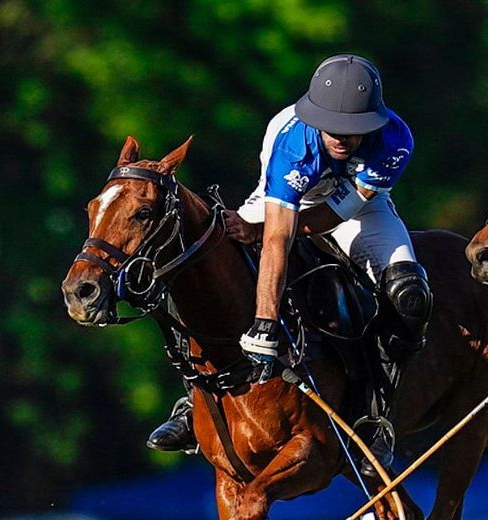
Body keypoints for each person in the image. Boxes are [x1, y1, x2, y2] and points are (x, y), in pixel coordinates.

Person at [148, 54, 427, 475]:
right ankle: (193, 404)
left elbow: (334, 215)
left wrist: (259, 235)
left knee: (410, 294)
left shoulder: (395, 140)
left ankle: (375, 417)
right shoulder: (293, 139)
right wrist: (264, 321)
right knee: (209, 270)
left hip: (354, 211)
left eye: (353, 131)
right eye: (332, 127)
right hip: (279, 204)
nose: (341, 138)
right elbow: (280, 233)